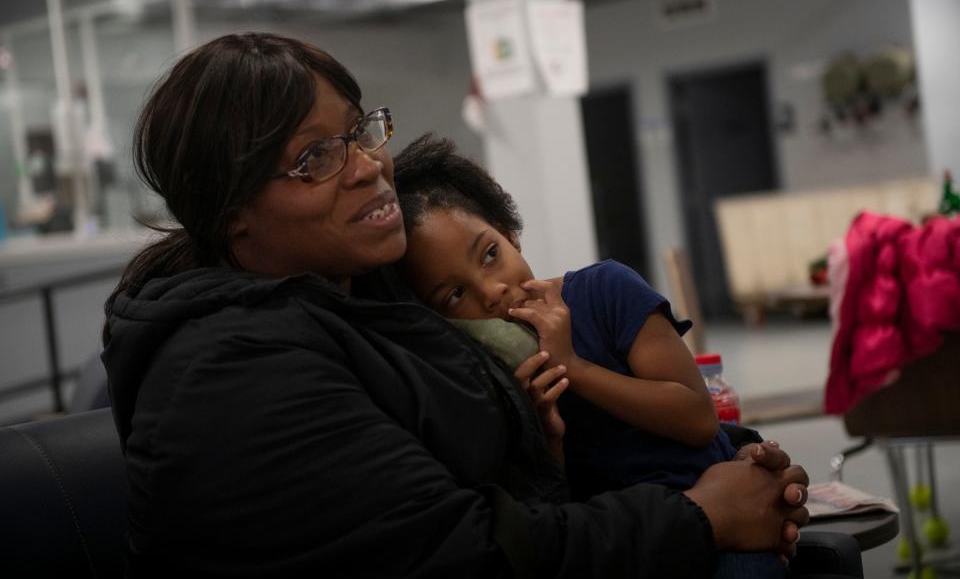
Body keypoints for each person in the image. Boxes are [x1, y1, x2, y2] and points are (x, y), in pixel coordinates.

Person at [101, 32, 809, 577]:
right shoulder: (235, 368)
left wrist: (739, 468)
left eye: (357, 131)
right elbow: (467, 557)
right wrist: (697, 515)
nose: (369, 166)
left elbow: (540, 467)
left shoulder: (366, 296)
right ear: (233, 217)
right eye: (316, 159)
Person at [393, 134, 791, 576]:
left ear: (509, 234)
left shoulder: (604, 291)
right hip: (632, 550)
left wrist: (575, 368)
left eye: (489, 254)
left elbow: (698, 419)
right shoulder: (483, 371)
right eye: (453, 295)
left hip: (725, 524)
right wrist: (549, 438)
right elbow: (555, 509)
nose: (491, 292)